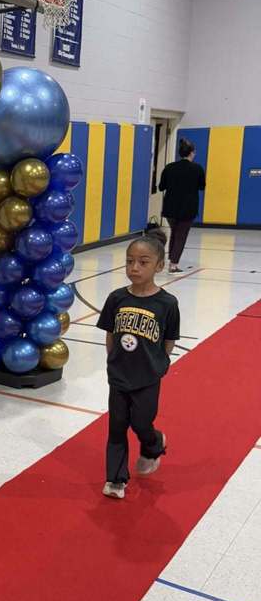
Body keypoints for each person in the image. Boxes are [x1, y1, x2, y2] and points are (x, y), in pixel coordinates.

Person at [96, 230, 180, 500]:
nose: (134, 267)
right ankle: (116, 479)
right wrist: (113, 361)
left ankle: (154, 444)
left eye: (143, 262)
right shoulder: (116, 298)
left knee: (142, 422)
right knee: (117, 426)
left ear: (159, 266)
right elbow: (110, 334)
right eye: (129, 261)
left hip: (147, 377)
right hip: (119, 375)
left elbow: (169, 339)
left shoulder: (167, 303)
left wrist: (159, 363)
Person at [158, 137, 206, 273]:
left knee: (174, 232)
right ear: (191, 153)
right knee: (181, 235)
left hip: (170, 207)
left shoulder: (169, 167)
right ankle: (173, 264)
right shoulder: (197, 169)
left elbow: (161, 187)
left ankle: (170, 259)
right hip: (188, 208)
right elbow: (202, 186)